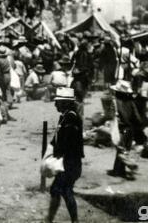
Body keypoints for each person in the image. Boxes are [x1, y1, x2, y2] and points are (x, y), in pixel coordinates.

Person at [46, 87, 84, 223]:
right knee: (60, 190)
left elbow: (69, 142)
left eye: (58, 102)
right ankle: (52, 219)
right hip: (69, 161)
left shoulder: (70, 118)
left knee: (62, 189)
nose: (55, 104)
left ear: (66, 103)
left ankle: (68, 220)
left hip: (70, 162)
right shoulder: (66, 116)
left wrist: (57, 151)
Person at [110, 80, 142, 180]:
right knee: (125, 149)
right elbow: (137, 117)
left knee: (120, 150)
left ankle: (123, 168)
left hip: (120, 128)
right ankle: (119, 170)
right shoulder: (131, 102)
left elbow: (111, 115)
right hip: (130, 128)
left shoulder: (115, 102)